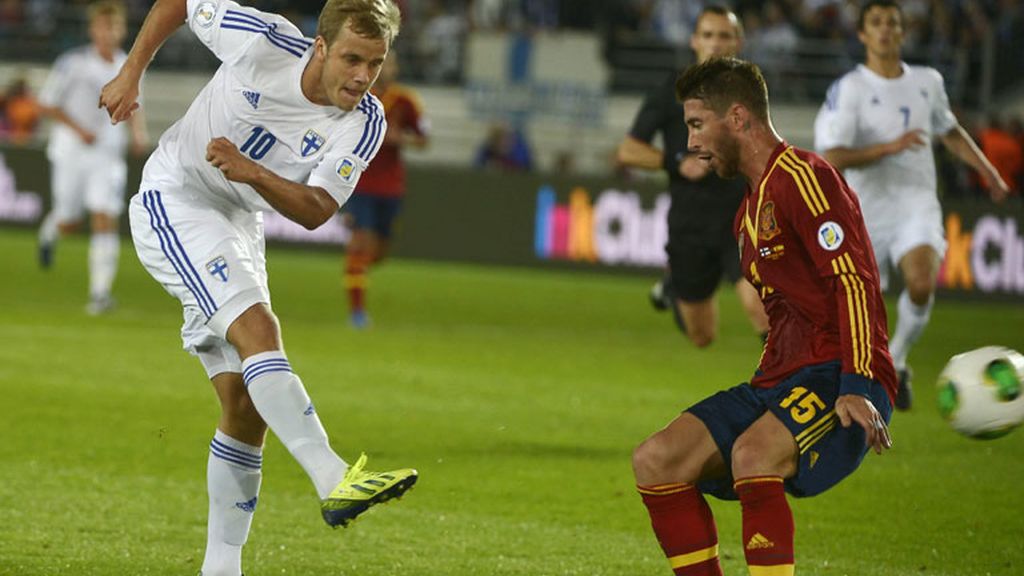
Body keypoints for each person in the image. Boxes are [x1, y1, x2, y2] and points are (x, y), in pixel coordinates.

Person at [98, 1, 418, 575]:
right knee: (259, 331)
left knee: (245, 406)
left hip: (238, 224)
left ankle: (221, 569)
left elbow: (319, 209)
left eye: (375, 63)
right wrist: (131, 71)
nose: (362, 76)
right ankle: (332, 476)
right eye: (351, 58)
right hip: (175, 198)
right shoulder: (263, 40)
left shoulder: (366, 120)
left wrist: (251, 171)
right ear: (320, 48)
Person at [632, 57, 895, 576]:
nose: (690, 143)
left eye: (695, 124)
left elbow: (853, 281)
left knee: (754, 454)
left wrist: (859, 383)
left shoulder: (806, 178)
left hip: (841, 373)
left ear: (737, 117)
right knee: (656, 459)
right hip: (778, 381)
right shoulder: (748, 211)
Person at [813, 0, 1009, 410]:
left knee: (921, 282)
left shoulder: (927, 81)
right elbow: (831, 155)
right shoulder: (850, 89)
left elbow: (949, 131)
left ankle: (898, 361)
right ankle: (874, 369)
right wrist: (889, 147)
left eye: (893, 23)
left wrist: (987, 170)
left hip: (916, 203)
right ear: (863, 34)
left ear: (903, 32)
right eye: (877, 23)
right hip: (864, 209)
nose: (885, 30)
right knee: (869, 305)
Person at [616, 6, 768, 348]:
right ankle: (675, 288)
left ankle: (788, 395)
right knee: (702, 336)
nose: (716, 43)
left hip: (741, 219)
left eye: (724, 36)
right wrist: (676, 162)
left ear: (738, 43)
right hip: (691, 223)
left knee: (761, 310)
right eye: (709, 35)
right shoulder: (671, 91)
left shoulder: (752, 93)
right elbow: (628, 150)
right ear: (694, 41)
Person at [36, 0, 148, 315]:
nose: (109, 32)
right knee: (69, 218)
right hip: (71, 148)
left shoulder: (129, 65)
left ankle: (99, 294)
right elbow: (47, 103)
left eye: (114, 26)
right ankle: (50, 232)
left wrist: (137, 133)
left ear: (122, 30)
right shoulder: (72, 63)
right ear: (92, 29)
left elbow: (135, 102)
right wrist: (79, 129)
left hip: (107, 152)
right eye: (103, 26)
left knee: (105, 215)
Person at [343, 53, 428, 328]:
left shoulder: (406, 101)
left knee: (378, 253)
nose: (381, 69)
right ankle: (357, 312)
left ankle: (357, 269)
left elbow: (424, 140)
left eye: (385, 64)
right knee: (360, 244)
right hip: (360, 182)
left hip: (391, 188)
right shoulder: (354, 98)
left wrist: (399, 138)